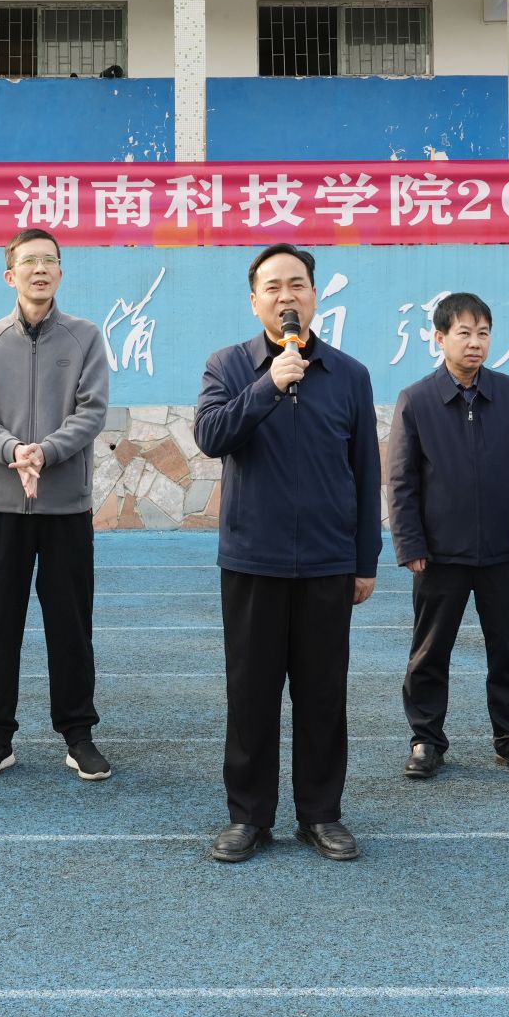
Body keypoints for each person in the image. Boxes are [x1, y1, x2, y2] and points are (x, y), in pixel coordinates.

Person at [196, 242, 381, 863]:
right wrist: (268, 386)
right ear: (255, 301)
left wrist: (365, 561)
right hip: (253, 559)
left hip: (328, 562)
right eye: (272, 287)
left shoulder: (350, 375)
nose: (286, 296)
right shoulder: (228, 366)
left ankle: (321, 814)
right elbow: (211, 436)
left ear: (315, 295)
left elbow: (365, 471)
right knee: (251, 695)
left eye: (297, 284)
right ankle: (249, 817)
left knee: (323, 695)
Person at [0, 228, 112, 782]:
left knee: (71, 625)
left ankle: (78, 734)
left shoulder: (85, 337)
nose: (39, 269)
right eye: (29, 261)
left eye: (49, 260)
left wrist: (44, 453)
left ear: (61, 273)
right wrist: (13, 451)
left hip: (66, 508)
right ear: (11, 275)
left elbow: (91, 411)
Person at [386, 292, 509, 780]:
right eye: (464, 333)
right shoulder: (417, 399)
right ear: (440, 338)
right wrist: (410, 544)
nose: (475, 342)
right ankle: (426, 740)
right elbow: (401, 481)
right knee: (429, 652)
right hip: (439, 555)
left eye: (483, 333)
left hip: (503, 550)